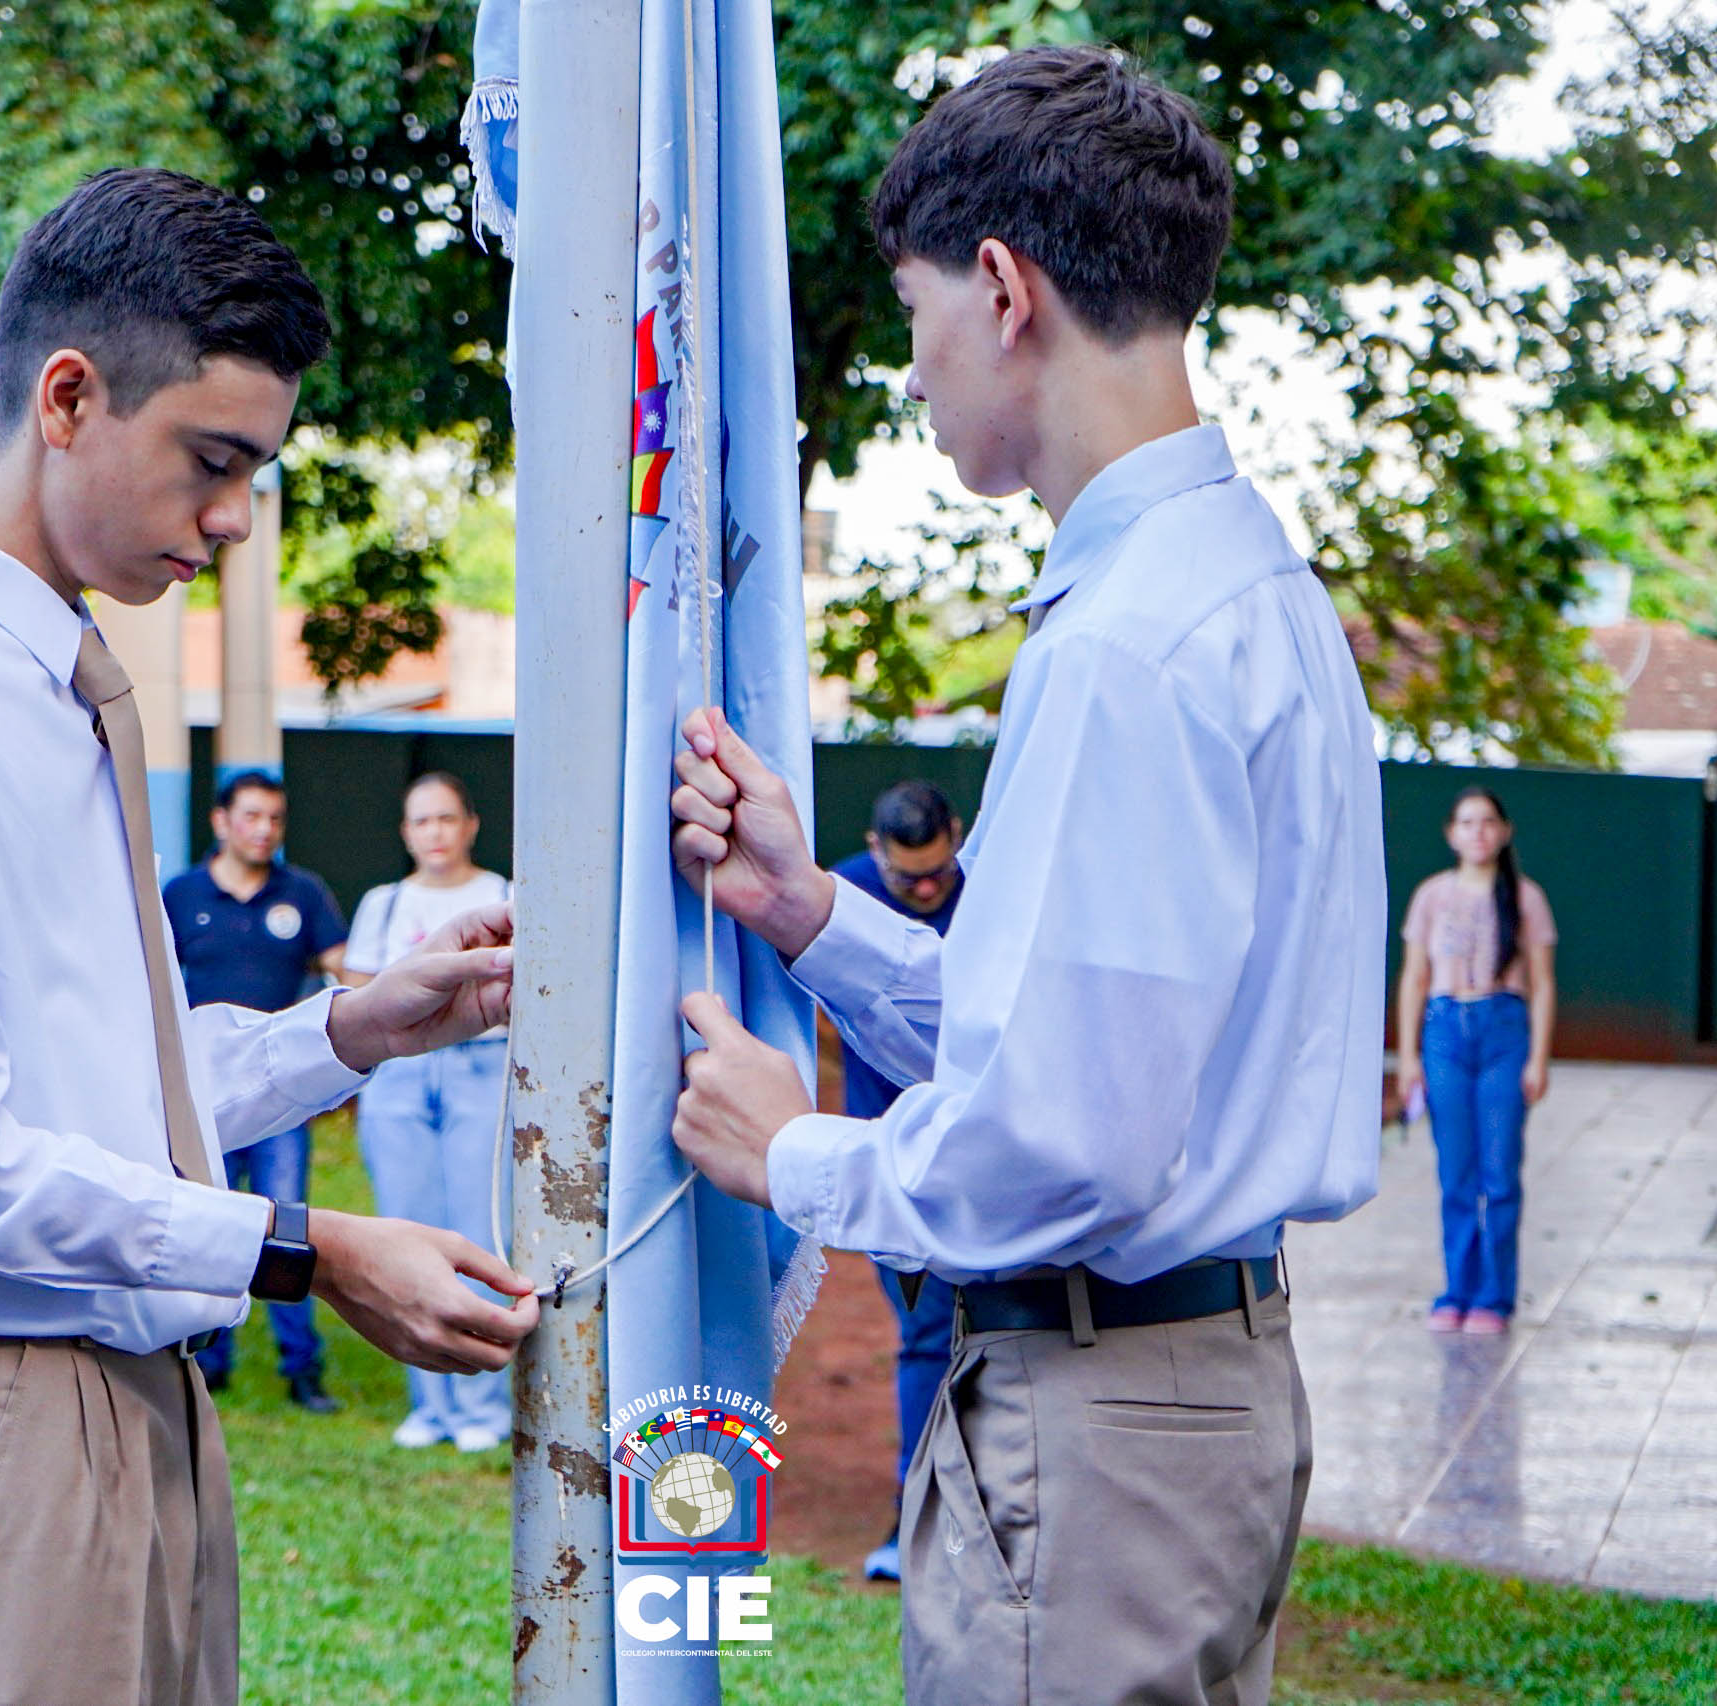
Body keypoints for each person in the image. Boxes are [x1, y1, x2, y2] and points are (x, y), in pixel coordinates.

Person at [0, 167, 538, 1706]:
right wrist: (312, 1249)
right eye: (212, 460)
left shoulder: (69, 687)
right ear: (69, 394)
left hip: (138, 1400)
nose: (234, 519)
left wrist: (356, 1027)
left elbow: (108, 1102)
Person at [662, 49, 1385, 1705]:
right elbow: (1079, 1042)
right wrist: (812, 913)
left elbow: (1066, 1143)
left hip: (1106, 1412)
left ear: (1002, 289)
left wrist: (801, 1155)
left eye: (915, 314)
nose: (913, 373)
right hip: (1198, 1387)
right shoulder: (1244, 585)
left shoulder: (1133, 637)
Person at [339, 772, 515, 1454]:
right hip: (401, 1076)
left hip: (485, 1066)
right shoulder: (384, 904)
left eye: (447, 818)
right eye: (421, 821)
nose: (435, 832)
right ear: (405, 833)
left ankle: (482, 1399)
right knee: (405, 1224)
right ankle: (431, 1403)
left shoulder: (501, 893)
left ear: (470, 824)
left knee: (480, 1227)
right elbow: (355, 990)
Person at [162, 768, 349, 1407]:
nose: (264, 829)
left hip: (282, 1092)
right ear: (220, 822)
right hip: (201, 1094)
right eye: (251, 816)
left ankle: (303, 1370)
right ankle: (206, 1361)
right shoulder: (180, 895)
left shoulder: (304, 893)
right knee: (207, 1220)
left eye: (275, 818)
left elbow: (345, 971)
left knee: (287, 1226)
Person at [830, 779, 966, 1584]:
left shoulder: (988, 892)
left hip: (989, 1153)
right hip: (892, 1159)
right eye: (906, 878)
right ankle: (916, 1516)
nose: (922, 891)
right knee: (924, 1333)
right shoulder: (844, 892)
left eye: (936, 875)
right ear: (877, 851)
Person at [1393, 788, 1558, 1336]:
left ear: (1505, 831)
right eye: (1467, 822)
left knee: (1500, 1170)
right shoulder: (1431, 896)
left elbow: (1542, 982)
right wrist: (1408, 1055)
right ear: (1451, 833)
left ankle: (1494, 1296)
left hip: (1503, 1032)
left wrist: (1538, 1056)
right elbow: (1414, 977)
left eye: (1488, 822)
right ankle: (1456, 1290)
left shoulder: (1525, 897)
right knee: (1455, 1171)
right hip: (1444, 1032)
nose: (1478, 832)